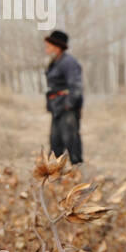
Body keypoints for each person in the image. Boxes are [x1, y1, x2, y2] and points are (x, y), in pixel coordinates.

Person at [44, 30, 83, 165]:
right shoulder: (55, 62)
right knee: (55, 143)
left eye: (48, 46)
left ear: (57, 47)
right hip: (57, 108)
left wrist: (68, 105)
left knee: (71, 141)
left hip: (67, 109)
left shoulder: (69, 62)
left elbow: (76, 87)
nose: (46, 49)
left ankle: (77, 172)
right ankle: (55, 175)